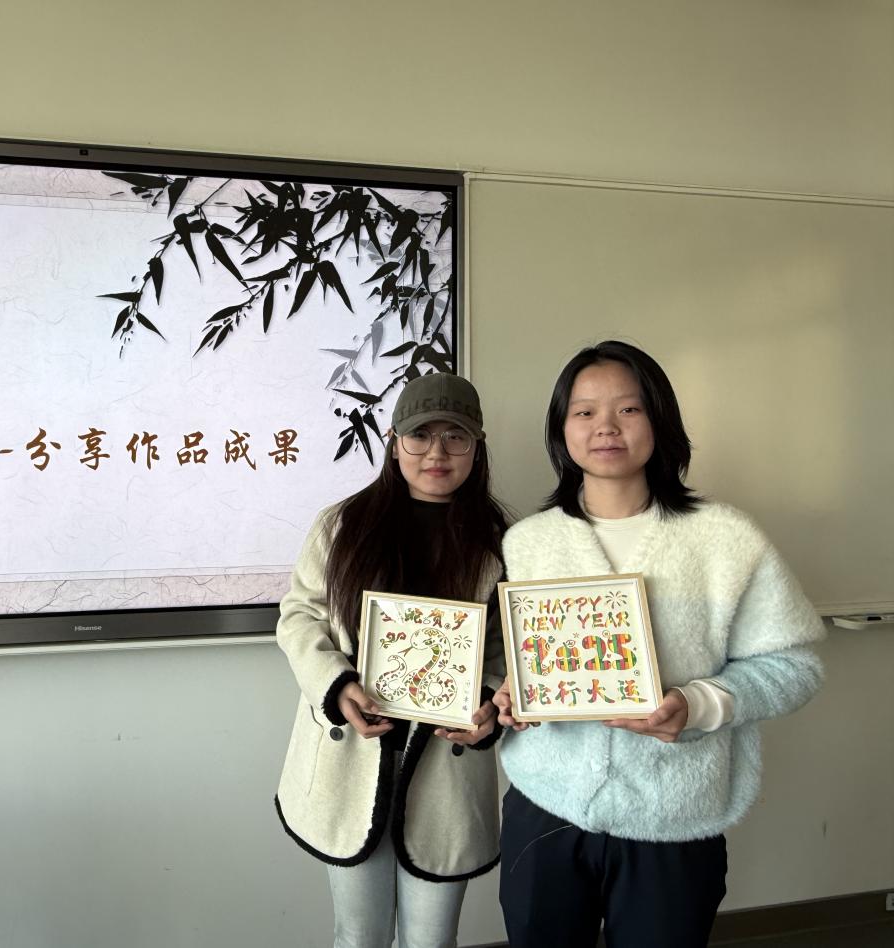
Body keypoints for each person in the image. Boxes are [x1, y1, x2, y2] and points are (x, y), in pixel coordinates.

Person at [492, 340, 825, 948]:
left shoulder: (724, 538)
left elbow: (795, 665)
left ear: (659, 420)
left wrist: (698, 703)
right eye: (584, 411)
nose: (606, 427)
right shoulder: (528, 542)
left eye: (629, 409)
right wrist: (517, 693)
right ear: (562, 429)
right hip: (544, 809)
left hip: (673, 820)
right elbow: (531, 657)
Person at [275, 372, 511, 948]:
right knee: (359, 936)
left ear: (478, 446)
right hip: (353, 754)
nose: (437, 453)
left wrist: (487, 703)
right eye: (420, 435)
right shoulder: (343, 525)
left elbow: (508, 647)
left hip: (445, 761)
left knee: (432, 940)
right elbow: (299, 615)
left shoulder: (501, 539)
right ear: (394, 441)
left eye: (455, 436)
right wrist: (336, 686)